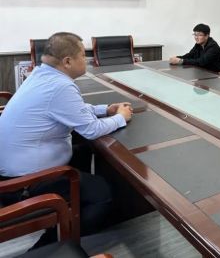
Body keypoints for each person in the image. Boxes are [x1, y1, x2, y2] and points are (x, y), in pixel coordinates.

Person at [0, 32, 132, 247]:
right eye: (83, 55)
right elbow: (91, 130)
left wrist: (105, 109)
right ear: (68, 61)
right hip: (22, 184)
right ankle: (52, 245)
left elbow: (70, 109)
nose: (87, 59)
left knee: (84, 151)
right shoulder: (61, 86)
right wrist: (120, 118)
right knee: (103, 193)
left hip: (11, 169)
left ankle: (73, 210)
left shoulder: (40, 74)